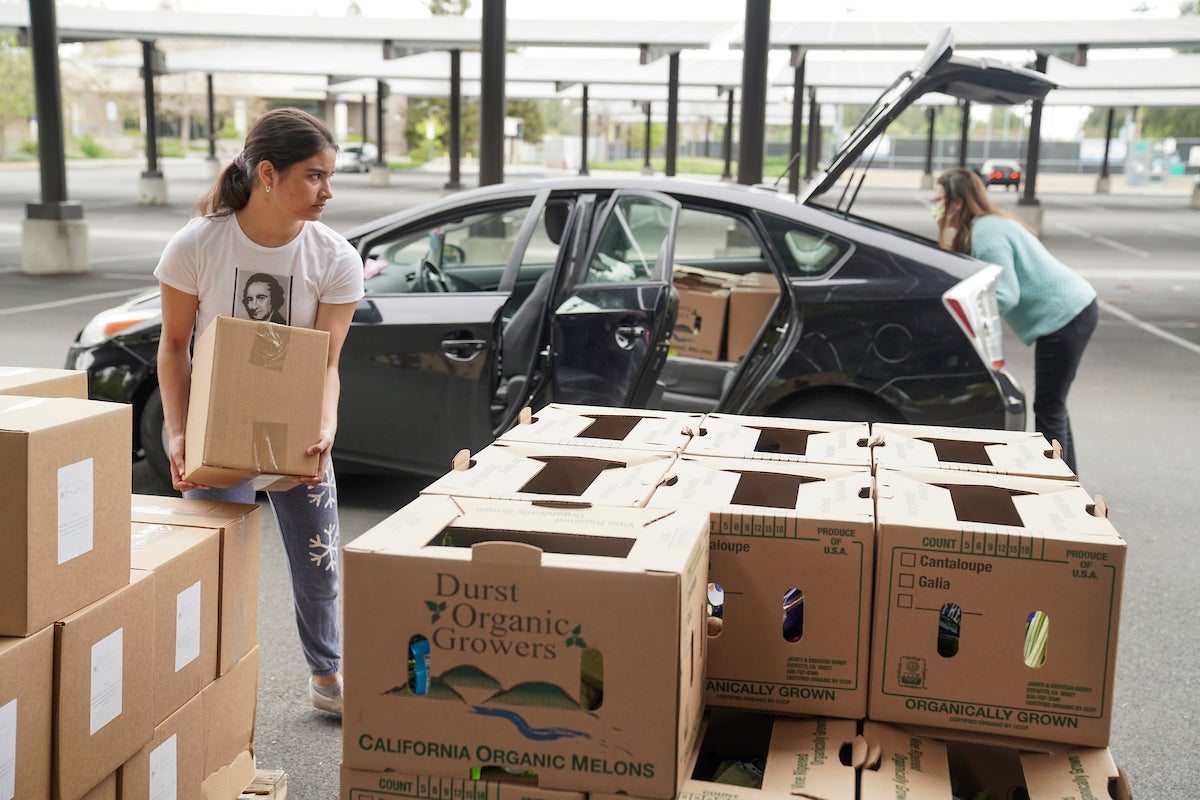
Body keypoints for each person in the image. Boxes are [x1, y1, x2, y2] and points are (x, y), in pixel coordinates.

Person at [154, 107, 363, 716]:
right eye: (315, 176)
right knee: (212, 568)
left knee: (319, 562)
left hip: (297, 430)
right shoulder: (199, 243)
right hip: (218, 432)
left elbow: (327, 363)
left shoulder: (334, 258)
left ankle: (326, 677)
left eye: (330, 176)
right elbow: (172, 346)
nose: (328, 191)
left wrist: (324, 428)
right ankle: (200, 685)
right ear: (267, 174)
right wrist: (177, 430)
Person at [932, 167, 1098, 473]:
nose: (935, 203)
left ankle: (1057, 484)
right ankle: (1069, 476)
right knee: (1054, 405)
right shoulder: (985, 225)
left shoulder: (986, 232)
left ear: (957, 203)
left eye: (939, 197)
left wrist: (965, 320)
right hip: (1074, 311)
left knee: (1049, 408)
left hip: (1066, 315)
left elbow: (1006, 294)